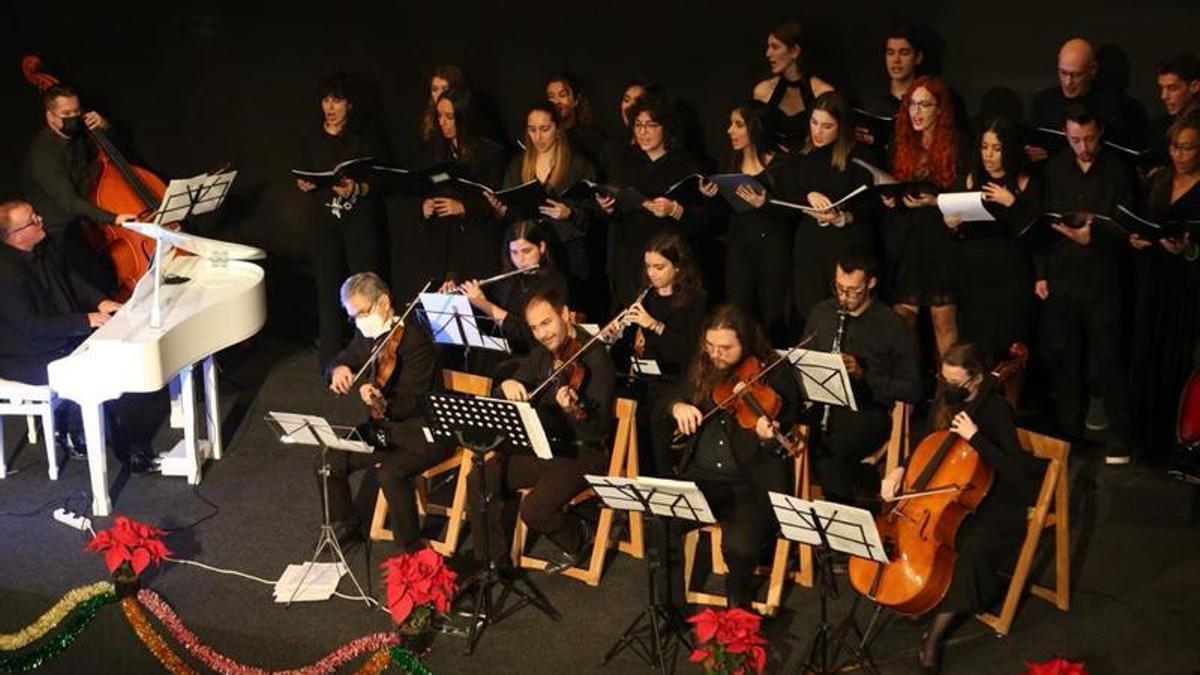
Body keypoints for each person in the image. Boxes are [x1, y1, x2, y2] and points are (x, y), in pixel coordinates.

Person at [880, 342, 1042, 673]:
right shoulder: (946, 401)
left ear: (977, 378)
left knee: (970, 552)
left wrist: (976, 436)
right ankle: (925, 595)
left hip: (996, 501)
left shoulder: (996, 409)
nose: (948, 388)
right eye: (944, 380)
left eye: (955, 383)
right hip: (951, 494)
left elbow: (1017, 470)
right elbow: (931, 443)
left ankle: (934, 637)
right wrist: (900, 469)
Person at [467, 284, 616, 573]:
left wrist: (572, 409)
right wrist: (508, 384)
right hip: (546, 446)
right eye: (535, 328)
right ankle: (493, 561)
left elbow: (596, 429)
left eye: (547, 323)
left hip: (582, 452)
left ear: (565, 314)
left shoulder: (596, 358)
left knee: (534, 510)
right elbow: (519, 382)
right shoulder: (542, 353)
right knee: (480, 478)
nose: (542, 333)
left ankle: (578, 538)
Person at [666, 303, 800, 607]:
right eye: (710, 346)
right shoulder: (704, 365)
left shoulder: (773, 372)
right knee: (664, 525)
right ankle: (671, 608)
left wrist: (767, 438)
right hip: (702, 478)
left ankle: (737, 619)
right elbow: (670, 393)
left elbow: (784, 440)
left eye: (725, 348)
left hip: (750, 485)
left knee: (739, 548)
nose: (715, 355)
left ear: (746, 342)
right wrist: (678, 406)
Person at [323, 272, 451, 551]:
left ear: (383, 303)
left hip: (422, 432)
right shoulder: (368, 333)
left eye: (361, 313)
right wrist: (339, 368)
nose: (358, 321)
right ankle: (348, 524)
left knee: (390, 474)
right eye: (352, 316)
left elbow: (417, 401)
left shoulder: (416, 342)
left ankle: (412, 551)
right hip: (385, 430)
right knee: (329, 461)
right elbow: (346, 357)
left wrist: (381, 401)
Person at [1038, 104, 1135, 463]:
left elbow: (1126, 228)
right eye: (1076, 140)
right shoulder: (1055, 167)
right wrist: (1041, 273)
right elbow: (1044, 222)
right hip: (1063, 275)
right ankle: (1069, 434)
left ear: (1100, 133)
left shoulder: (1117, 171)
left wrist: (1092, 237)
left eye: (1089, 139)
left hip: (1103, 278)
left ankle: (1120, 437)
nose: (1083, 147)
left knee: (1108, 359)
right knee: (1066, 357)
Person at [0, 200, 124, 460]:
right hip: (24, 356)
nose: (40, 219)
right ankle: (71, 430)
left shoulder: (43, 247)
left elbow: (69, 278)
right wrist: (84, 321)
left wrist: (99, 301)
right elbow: (31, 326)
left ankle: (104, 426)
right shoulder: (7, 273)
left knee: (112, 345)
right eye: (32, 220)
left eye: (36, 213)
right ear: (16, 235)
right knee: (90, 362)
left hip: (54, 334)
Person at [803, 250, 920, 506]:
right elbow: (802, 363)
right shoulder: (822, 313)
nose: (844, 297)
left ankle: (839, 528)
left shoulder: (892, 325)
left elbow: (912, 388)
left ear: (871, 283)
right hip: (823, 405)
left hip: (868, 410)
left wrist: (864, 375)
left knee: (830, 446)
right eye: (839, 288)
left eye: (853, 290)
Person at [294, 73, 389, 371]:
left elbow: (384, 179)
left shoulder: (365, 137)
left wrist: (358, 188)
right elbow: (303, 172)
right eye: (325, 100)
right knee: (327, 289)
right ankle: (332, 361)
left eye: (337, 100)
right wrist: (305, 184)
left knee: (367, 289)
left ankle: (375, 355)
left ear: (350, 104)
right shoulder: (311, 136)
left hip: (358, 221)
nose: (330, 107)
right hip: (323, 223)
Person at [881, 75, 969, 359]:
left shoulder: (958, 146)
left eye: (925, 105)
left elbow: (967, 197)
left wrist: (936, 200)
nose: (917, 112)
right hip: (907, 241)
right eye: (912, 105)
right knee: (902, 324)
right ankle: (905, 398)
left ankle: (950, 397)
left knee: (944, 324)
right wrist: (890, 197)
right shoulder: (902, 144)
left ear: (940, 109)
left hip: (941, 240)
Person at [1129, 113, 1200, 463]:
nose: (1179, 154)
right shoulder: (1160, 179)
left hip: (1187, 284)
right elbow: (1144, 219)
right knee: (1147, 354)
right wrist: (1137, 238)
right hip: (1153, 277)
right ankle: (1144, 438)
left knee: (1176, 357)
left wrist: (1189, 249)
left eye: (1187, 148)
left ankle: (1173, 443)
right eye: (1174, 146)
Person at [605, 231, 706, 476]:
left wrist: (653, 324)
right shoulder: (645, 296)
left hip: (676, 380)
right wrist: (614, 334)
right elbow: (629, 347)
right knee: (610, 401)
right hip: (644, 378)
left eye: (659, 267)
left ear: (678, 267)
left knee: (653, 415)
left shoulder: (694, 301)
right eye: (648, 266)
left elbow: (687, 350)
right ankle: (621, 474)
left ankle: (655, 481)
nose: (652, 273)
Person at [23, 83, 138, 294]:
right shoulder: (44, 155)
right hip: (60, 231)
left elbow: (121, 147)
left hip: (84, 217)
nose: (73, 117)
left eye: (76, 111)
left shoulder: (80, 133)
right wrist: (114, 218)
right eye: (66, 113)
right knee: (100, 280)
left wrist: (105, 127)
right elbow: (69, 202)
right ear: (51, 117)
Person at [943, 117, 1038, 364]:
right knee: (975, 346)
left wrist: (1012, 203)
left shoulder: (1025, 182)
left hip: (1010, 278)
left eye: (996, 148)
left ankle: (1009, 401)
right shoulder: (970, 179)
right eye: (985, 147)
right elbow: (953, 226)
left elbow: (1036, 233)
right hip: (973, 276)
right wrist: (951, 224)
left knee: (1008, 347)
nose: (989, 155)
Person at [599, 94, 708, 310]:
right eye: (638, 125)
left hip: (668, 261)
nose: (643, 132)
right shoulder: (625, 161)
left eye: (650, 125)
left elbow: (704, 220)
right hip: (630, 257)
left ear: (665, 128)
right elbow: (615, 206)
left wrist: (674, 210)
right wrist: (608, 207)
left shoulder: (686, 164)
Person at [698, 101, 793, 344]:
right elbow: (723, 214)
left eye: (738, 125)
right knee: (739, 313)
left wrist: (767, 203)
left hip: (772, 247)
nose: (730, 130)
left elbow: (795, 212)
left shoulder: (781, 164)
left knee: (773, 314)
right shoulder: (731, 162)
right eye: (731, 124)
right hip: (740, 246)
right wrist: (713, 196)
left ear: (755, 128)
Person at [492, 101, 599, 312]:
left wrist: (569, 212)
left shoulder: (578, 165)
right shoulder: (518, 164)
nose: (538, 137)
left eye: (544, 129)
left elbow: (594, 213)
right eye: (532, 130)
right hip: (532, 257)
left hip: (566, 253)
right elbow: (512, 209)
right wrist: (502, 211)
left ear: (558, 129)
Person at [784, 91, 879, 323]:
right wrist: (808, 196)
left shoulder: (859, 156)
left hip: (845, 248)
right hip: (810, 247)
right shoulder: (801, 154)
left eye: (827, 126)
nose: (817, 131)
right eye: (814, 122)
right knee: (811, 314)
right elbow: (785, 189)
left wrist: (842, 217)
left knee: (844, 316)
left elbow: (873, 206)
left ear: (841, 128)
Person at [443, 220, 569, 376]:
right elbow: (489, 326)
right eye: (514, 252)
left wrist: (485, 305)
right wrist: (459, 300)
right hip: (502, 355)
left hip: (532, 357)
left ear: (541, 247)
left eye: (526, 251)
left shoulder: (554, 282)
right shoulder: (508, 280)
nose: (520, 260)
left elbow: (528, 333)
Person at [417, 88, 507, 286]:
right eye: (439, 116)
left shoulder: (491, 153)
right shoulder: (437, 152)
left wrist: (463, 206)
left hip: (478, 246)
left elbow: (496, 201)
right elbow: (426, 187)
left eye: (449, 116)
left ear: (464, 117)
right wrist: (426, 207)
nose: (442, 122)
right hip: (445, 248)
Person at [1027, 38, 1149, 164]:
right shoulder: (1043, 102)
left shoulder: (1119, 107)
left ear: (1093, 69)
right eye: (1063, 73)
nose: (1068, 82)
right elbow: (1030, 145)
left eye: (1076, 75)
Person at [752, 20, 835, 149]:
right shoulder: (762, 91)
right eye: (768, 47)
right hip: (773, 166)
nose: (767, 53)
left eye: (775, 47)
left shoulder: (822, 92)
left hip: (811, 164)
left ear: (794, 51)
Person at [1148, 53, 1200, 167]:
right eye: (1162, 88)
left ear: (1195, 86)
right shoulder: (1159, 125)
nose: (1164, 96)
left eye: (1172, 88)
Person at [546, 73, 606, 166]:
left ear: (576, 100)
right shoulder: (544, 136)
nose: (556, 102)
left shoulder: (591, 138)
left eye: (562, 95)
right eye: (551, 97)